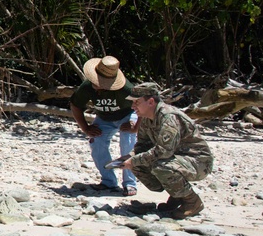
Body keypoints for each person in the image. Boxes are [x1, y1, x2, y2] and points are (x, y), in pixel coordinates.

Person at [121, 82, 214, 219]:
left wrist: (134, 160)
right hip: (177, 158)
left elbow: (164, 151)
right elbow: (142, 146)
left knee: (161, 166)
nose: (133, 106)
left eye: (136, 102)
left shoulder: (168, 117)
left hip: (198, 161)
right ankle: (177, 195)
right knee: (138, 163)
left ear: (151, 101)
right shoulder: (147, 119)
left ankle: (192, 202)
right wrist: (127, 159)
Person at [69, 55, 137, 195]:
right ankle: (108, 182)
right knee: (97, 142)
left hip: (127, 115)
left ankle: (130, 184)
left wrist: (135, 127)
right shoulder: (87, 87)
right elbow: (75, 105)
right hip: (104, 118)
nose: (96, 83)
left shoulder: (126, 89)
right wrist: (86, 128)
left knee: (128, 143)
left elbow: (143, 107)